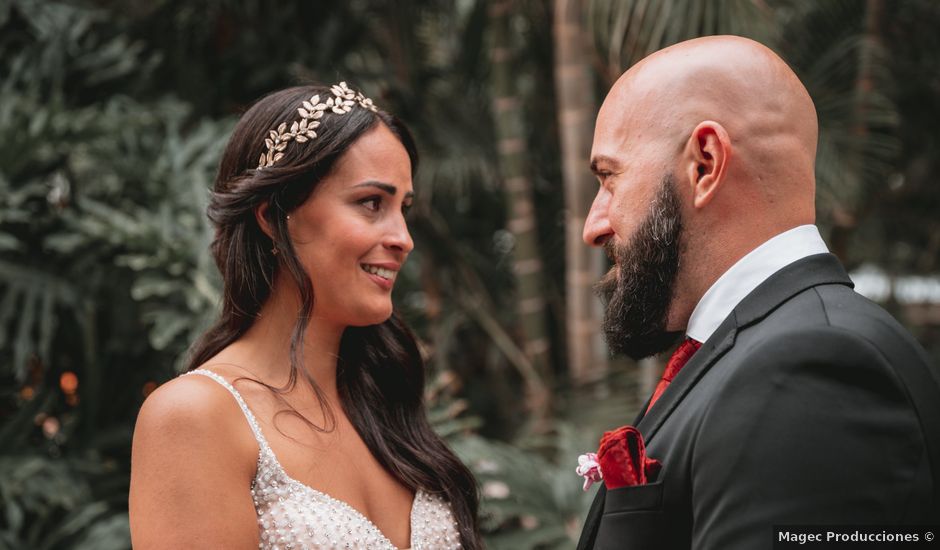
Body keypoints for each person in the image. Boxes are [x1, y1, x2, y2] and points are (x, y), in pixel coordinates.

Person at [576, 36, 940, 550]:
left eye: (609, 178)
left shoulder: (811, 369)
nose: (594, 226)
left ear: (704, 164)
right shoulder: (765, 350)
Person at [129, 82, 481, 550]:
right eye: (371, 203)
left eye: (404, 209)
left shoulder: (385, 404)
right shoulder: (195, 417)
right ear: (273, 217)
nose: (402, 237)